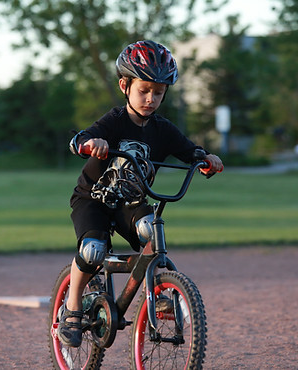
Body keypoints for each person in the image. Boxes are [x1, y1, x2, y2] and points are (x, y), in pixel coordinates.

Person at [57, 40, 223, 347]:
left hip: (130, 203)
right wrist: (91, 144)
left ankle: (158, 294)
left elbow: (190, 151)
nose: (150, 98)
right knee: (93, 250)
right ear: (125, 85)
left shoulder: (163, 129)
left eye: (158, 92)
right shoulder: (115, 121)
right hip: (93, 199)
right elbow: (82, 138)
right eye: (143, 89)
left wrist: (205, 160)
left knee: (151, 231)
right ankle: (73, 308)